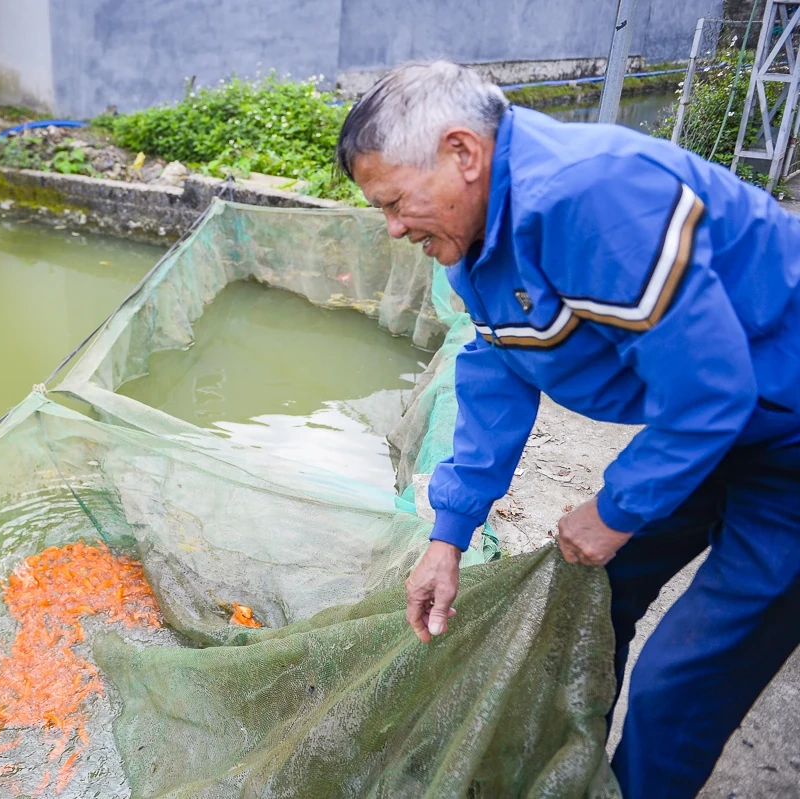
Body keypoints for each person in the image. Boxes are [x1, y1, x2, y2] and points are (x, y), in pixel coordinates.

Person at [335, 61, 800, 798]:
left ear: (464, 153)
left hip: (784, 433)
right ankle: (565, 771)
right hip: (713, 425)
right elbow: (498, 376)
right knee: (588, 594)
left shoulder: (592, 197)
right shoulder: (473, 244)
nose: (394, 228)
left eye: (395, 202)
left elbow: (713, 392)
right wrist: (448, 536)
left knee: (679, 681)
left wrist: (616, 509)